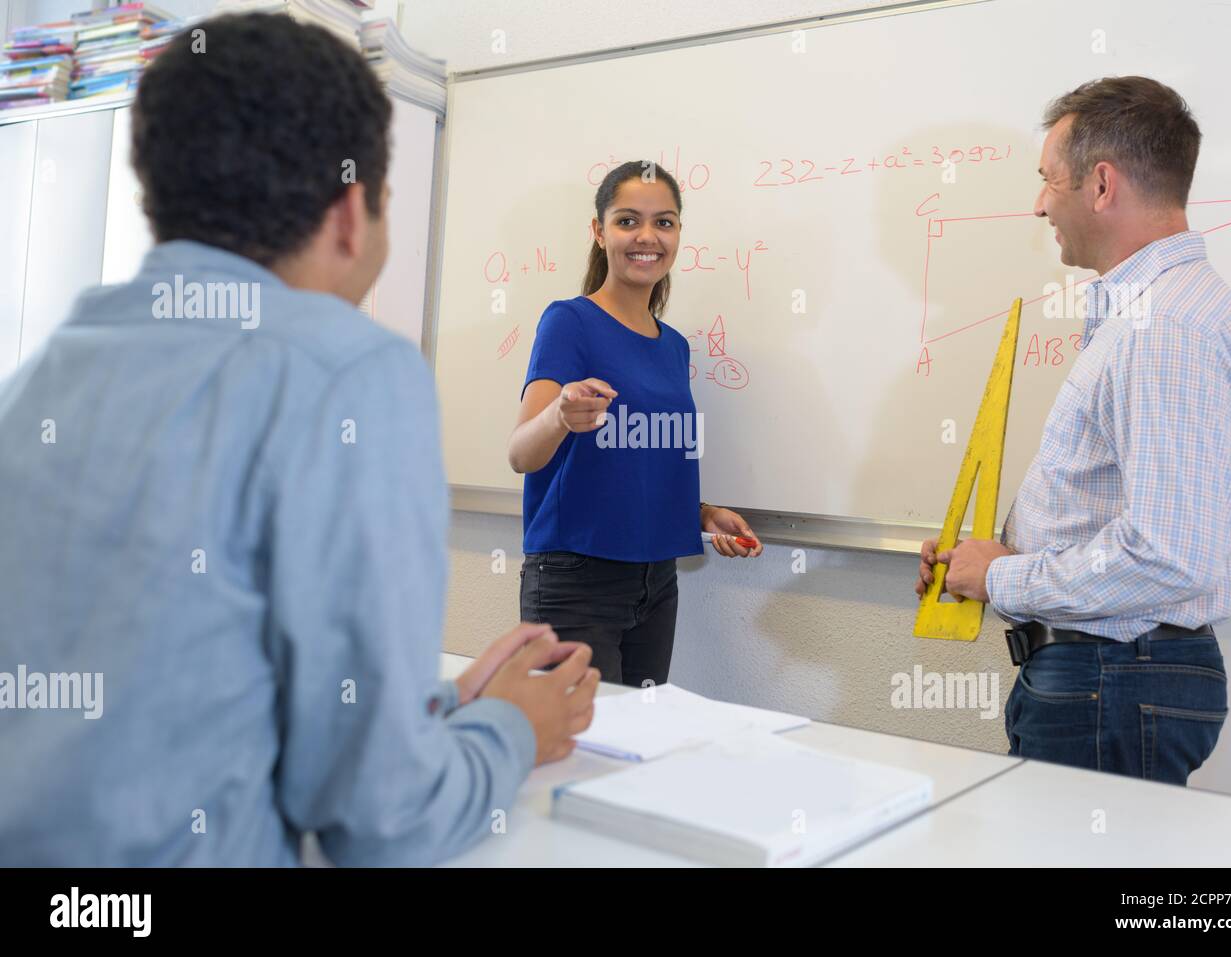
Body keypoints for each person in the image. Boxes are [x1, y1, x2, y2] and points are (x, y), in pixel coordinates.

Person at [0, 12, 597, 867]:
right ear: (353, 213)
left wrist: (422, 708)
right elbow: (383, 822)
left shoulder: (39, 378)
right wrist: (509, 725)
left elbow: (167, 690)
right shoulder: (348, 373)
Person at [916, 76, 1231, 785]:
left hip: (1113, 675)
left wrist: (1004, 575)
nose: (1041, 203)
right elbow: (1133, 521)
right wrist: (996, 555)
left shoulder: (1162, 327)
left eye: (1049, 181)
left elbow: (1168, 555)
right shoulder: (1155, 312)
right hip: (1112, 674)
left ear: (1101, 184)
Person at [508, 161, 762, 688]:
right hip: (575, 580)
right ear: (599, 232)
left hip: (655, 580)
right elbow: (521, 455)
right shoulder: (569, 321)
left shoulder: (673, 346)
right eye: (628, 221)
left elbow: (635, 459)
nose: (647, 237)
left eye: (664, 223)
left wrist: (701, 512)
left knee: (634, 754)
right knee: (580, 753)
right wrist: (559, 415)